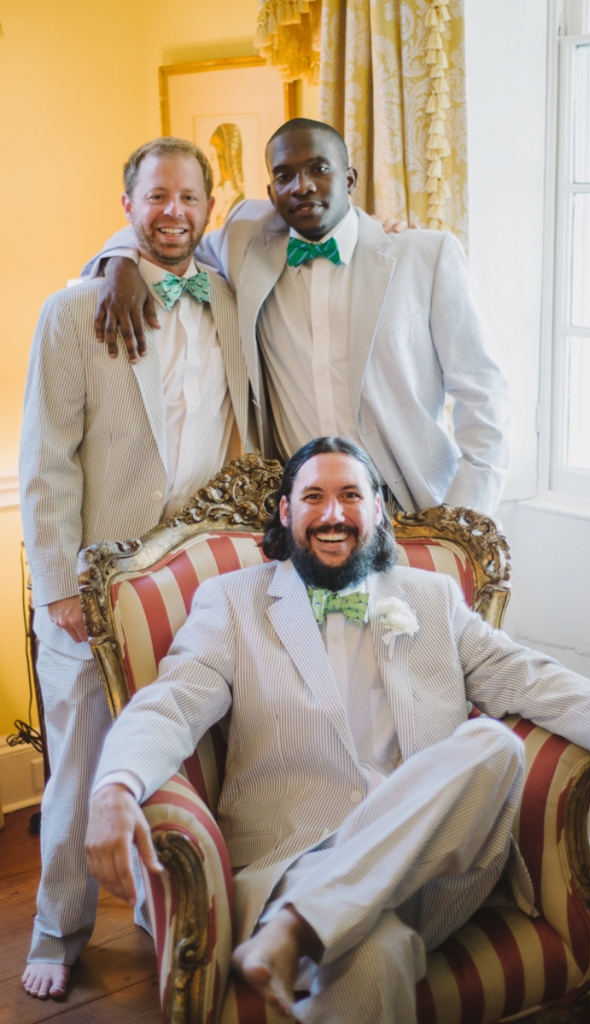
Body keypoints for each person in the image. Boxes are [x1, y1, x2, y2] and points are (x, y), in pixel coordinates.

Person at [86, 437, 590, 1024]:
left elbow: (527, 678)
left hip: (434, 874)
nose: (333, 513)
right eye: (313, 496)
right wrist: (116, 783)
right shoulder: (232, 603)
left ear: (377, 509)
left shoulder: (432, 596)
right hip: (294, 859)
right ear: (286, 511)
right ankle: (314, 917)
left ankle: (303, 921)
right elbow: (172, 702)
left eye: (351, 494)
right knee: (372, 960)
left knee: (494, 744)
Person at [19, 136, 256, 1000]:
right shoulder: (75, 309)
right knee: (82, 761)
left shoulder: (228, 297)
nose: (173, 213)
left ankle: (170, 913)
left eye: (189, 198)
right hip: (95, 583)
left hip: (196, 583)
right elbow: (44, 461)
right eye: (155, 198)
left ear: (208, 205)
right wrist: (59, 590)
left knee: (181, 757)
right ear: (127, 206)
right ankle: (58, 925)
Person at [85, 118, 511, 516]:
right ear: (271, 193)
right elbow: (171, 232)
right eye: (284, 175)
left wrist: (461, 520)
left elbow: (484, 396)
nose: (302, 186)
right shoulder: (246, 243)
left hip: (413, 506)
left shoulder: (426, 256)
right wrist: (120, 258)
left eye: (319, 169)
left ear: (349, 178)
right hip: (298, 518)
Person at [207, 122, 246, 231]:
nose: (210, 164)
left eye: (213, 157)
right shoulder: (226, 203)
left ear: (224, 159)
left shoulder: (240, 207)